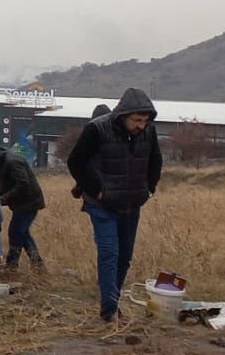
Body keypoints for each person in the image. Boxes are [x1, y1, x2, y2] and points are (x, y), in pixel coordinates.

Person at [65, 89, 161, 322]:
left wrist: (149, 188)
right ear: (123, 115)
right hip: (102, 204)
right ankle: (108, 312)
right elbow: (75, 161)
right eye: (137, 120)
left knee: (124, 257)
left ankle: (113, 303)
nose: (141, 125)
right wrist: (96, 190)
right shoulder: (97, 129)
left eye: (145, 120)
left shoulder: (149, 131)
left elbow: (156, 160)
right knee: (109, 253)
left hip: (131, 202)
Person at [0, 141, 45, 269]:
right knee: (22, 233)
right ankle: (37, 264)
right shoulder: (3, 162)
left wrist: (3, 199)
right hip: (22, 203)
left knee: (15, 232)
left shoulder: (12, 162)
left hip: (29, 203)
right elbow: (4, 183)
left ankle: (12, 265)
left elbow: (23, 184)